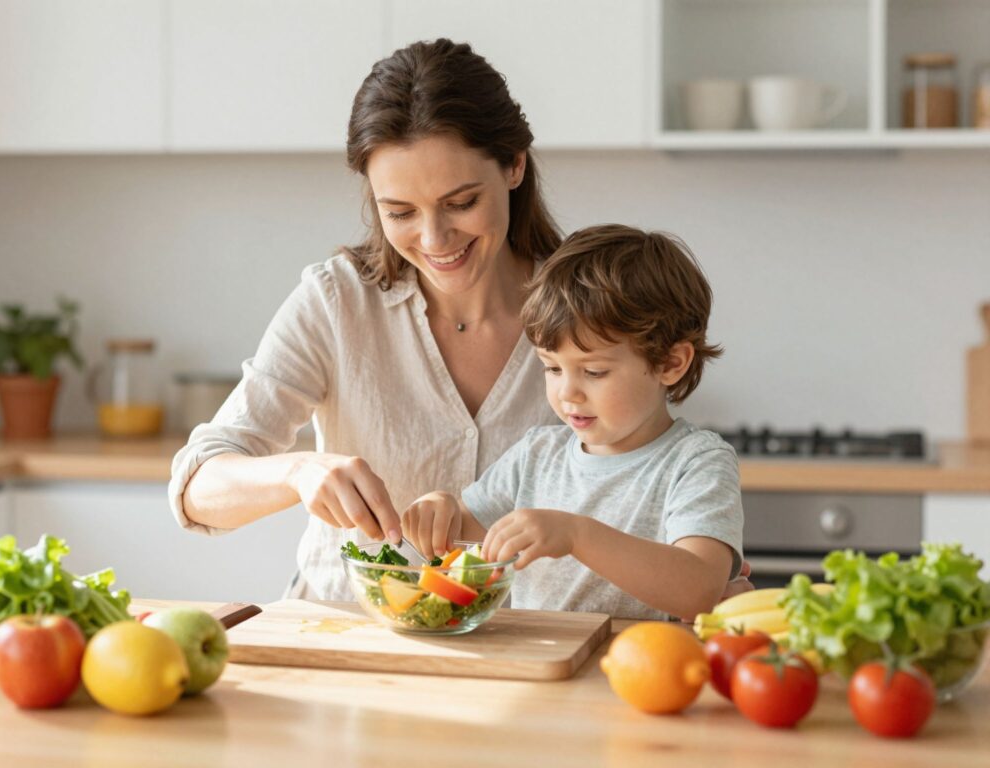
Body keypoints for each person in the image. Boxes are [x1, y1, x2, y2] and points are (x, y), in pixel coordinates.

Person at [168, 38, 751, 604]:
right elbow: (195, 488)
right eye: (400, 212)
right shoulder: (336, 301)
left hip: (523, 653)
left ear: (514, 165)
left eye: (461, 203)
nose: (434, 239)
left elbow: (663, 521)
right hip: (342, 633)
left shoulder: (581, 306)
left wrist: (701, 585)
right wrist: (298, 472)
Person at [401, 225, 743, 620]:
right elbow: (461, 536)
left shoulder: (697, 462)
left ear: (670, 363)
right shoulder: (536, 455)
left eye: (594, 372)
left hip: (642, 658)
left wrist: (578, 535)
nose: (568, 393)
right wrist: (439, 511)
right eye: (552, 368)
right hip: (544, 655)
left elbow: (698, 589)